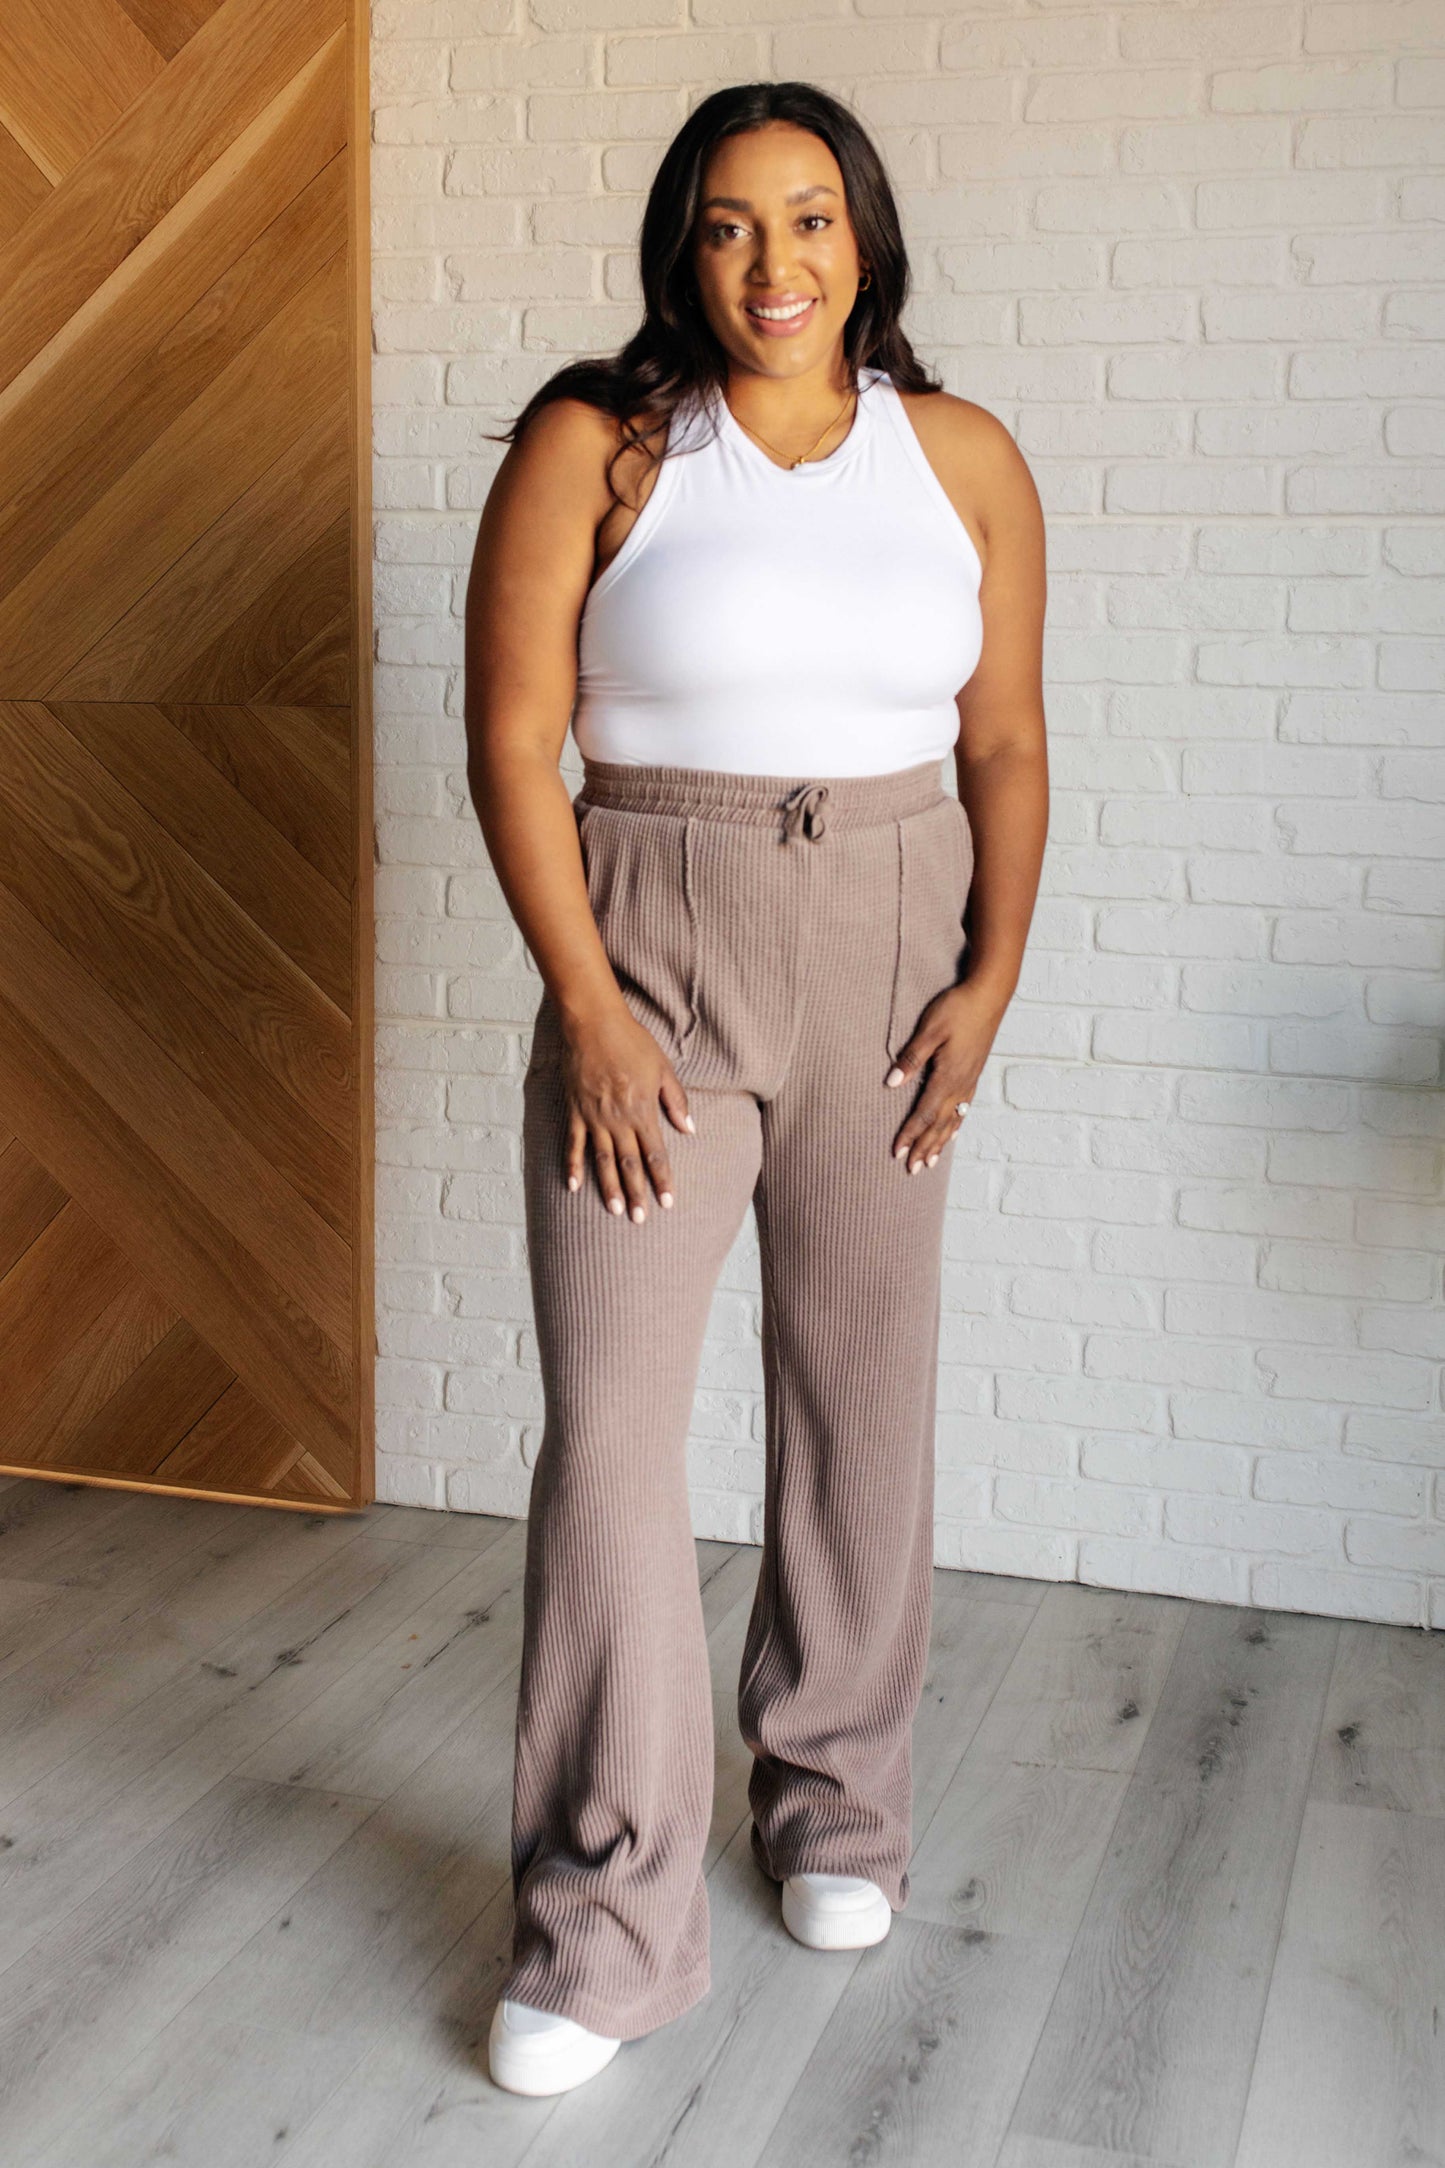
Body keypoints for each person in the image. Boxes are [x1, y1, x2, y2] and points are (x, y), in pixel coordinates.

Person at [463, 80, 1048, 2097]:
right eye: (728, 224)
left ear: (863, 236)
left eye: (808, 218)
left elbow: (1004, 745)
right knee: (612, 1440)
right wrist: (591, 1009)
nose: (772, 262)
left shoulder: (959, 457)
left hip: (890, 950)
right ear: (681, 250)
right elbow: (513, 741)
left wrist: (990, 975)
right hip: (654, 951)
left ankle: (836, 1810)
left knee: (859, 1400)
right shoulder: (601, 444)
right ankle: (601, 1921)